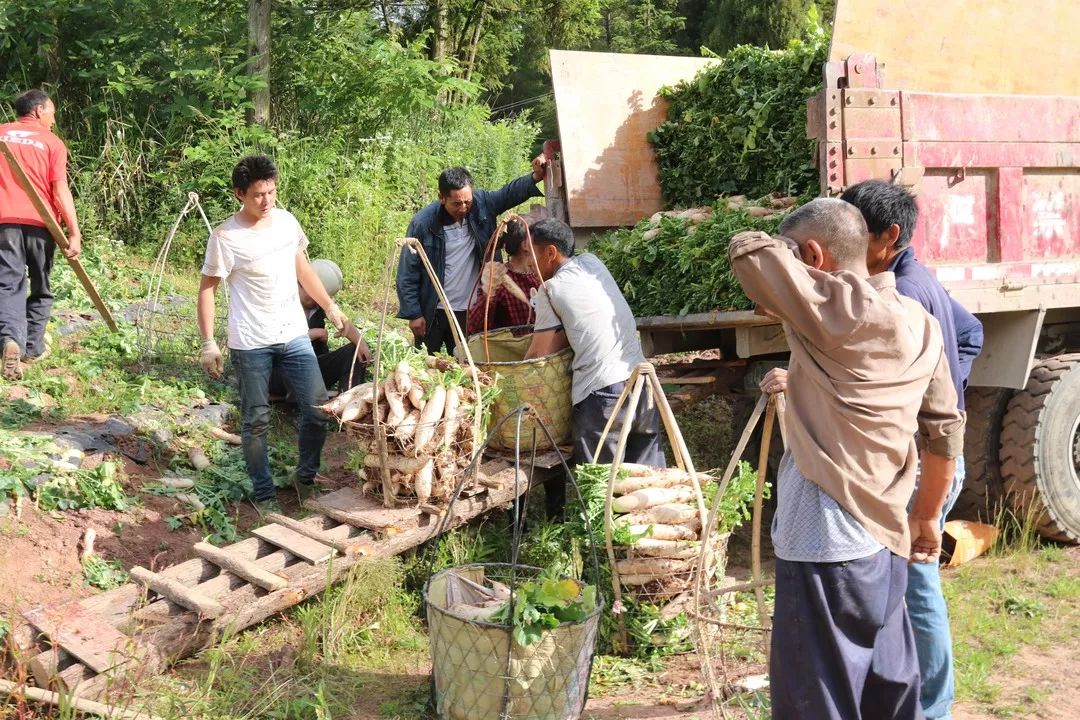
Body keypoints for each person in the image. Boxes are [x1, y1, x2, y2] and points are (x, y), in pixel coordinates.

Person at [733, 198, 965, 720]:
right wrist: (926, 517)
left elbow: (749, 253)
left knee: (819, 698)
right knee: (887, 688)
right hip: (885, 540)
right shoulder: (921, 322)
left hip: (824, 539)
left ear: (813, 256)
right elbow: (945, 431)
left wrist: (790, 256)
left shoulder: (834, 307)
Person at [842, 179, 983, 720]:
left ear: (888, 236)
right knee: (906, 582)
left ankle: (933, 706)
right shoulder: (915, 279)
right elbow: (971, 334)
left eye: (856, 234)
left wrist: (933, 401)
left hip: (928, 464)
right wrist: (945, 382)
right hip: (931, 452)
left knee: (918, 584)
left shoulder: (903, 294)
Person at [197, 155, 351, 513]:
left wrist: (330, 306)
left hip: (293, 334)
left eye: (272, 192)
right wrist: (208, 342)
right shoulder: (225, 237)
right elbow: (207, 289)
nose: (267, 201)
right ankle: (265, 494)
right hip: (251, 342)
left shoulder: (285, 222)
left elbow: (303, 267)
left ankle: (305, 478)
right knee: (257, 418)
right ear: (239, 194)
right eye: (258, 195)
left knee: (318, 411)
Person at [524, 218, 664, 514]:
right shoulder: (592, 262)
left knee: (604, 488)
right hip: (641, 384)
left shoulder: (550, 290)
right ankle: (649, 547)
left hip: (603, 396)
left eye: (531, 254)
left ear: (550, 253)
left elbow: (539, 354)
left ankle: (608, 555)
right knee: (650, 485)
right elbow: (584, 323)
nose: (527, 264)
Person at [396, 157, 547, 355]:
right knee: (425, 363)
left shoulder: (482, 204)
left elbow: (508, 193)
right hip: (435, 309)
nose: (464, 208)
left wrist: (535, 177)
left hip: (470, 308)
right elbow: (408, 270)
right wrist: (414, 313)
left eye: (467, 201)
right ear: (441, 197)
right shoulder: (423, 223)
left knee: (468, 363)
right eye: (456, 204)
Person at [0, 89, 82, 380]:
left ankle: (10, 340)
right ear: (38, 111)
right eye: (52, 113)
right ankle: (32, 348)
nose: (53, 120)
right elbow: (60, 189)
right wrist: (74, 232)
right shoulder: (51, 143)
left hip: (3, 224)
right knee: (41, 285)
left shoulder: (1, 134)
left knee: (9, 285)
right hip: (41, 225)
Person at [269, 258, 372, 398]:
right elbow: (274, 341)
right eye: (311, 297)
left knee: (355, 350)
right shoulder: (280, 301)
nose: (315, 303)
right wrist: (313, 334)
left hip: (311, 371)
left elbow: (344, 323)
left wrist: (361, 343)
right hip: (280, 373)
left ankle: (348, 401)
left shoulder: (319, 307)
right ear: (301, 284)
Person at [465, 219, 541, 336]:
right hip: (512, 349)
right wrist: (488, 293)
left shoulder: (541, 274)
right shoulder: (498, 277)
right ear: (525, 245)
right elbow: (474, 328)